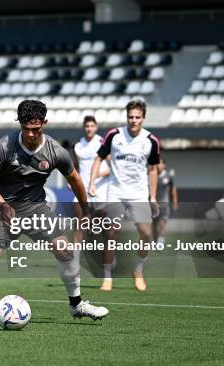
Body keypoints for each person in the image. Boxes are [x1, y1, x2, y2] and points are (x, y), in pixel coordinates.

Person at [0, 100, 109, 321]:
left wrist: (86, 209)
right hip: (2, 209)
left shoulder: (55, 151)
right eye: (26, 129)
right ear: (19, 124)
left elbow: (75, 179)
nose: (31, 134)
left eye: (36, 129)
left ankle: (77, 305)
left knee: (65, 251)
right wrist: (3, 205)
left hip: (35, 209)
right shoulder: (3, 146)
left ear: (44, 123)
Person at [88, 99, 161, 292]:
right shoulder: (114, 135)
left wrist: (152, 197)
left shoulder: (151, 140)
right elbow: (98, 159)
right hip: (116, 191)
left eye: (137, 117)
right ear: (126, 117)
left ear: (143, 118)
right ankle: (107, 277)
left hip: (138, 193)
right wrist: (92, 183)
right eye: (131, 117)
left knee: (146, 234)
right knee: (111, 233)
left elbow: (153, 169)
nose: (134, 120)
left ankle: (138, 270)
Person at [72, 115, 109, 243]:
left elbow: (114, 167)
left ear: (96, 127)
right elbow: (74, 166)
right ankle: (74, 260)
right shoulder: (78, 146)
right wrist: (71, 182)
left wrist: (99, 175)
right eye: (87, 126)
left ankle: (108, 256)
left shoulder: (102, 143)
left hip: (100, 189)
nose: (89, 128)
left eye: (92, 126)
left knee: (103, 225)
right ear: (84, 127)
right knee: (79, 223)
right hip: (82, 189)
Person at [153, 157, 178, 246]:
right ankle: (155, 242)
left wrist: (175, 201)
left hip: (164, 205)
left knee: (162, 224)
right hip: (153, 205)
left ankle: (161, 241)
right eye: (157, 163)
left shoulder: (169, 176)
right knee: (154, 226)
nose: (158, 165)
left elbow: (173, 190)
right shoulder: (152, 175)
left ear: (164, 165)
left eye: (160, 163)